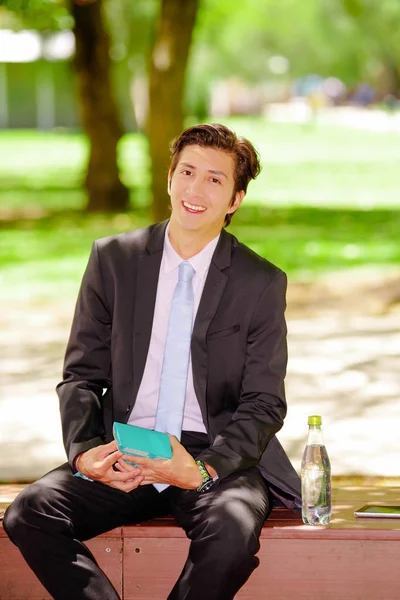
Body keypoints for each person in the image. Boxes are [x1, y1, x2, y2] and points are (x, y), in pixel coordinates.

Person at [4, 123, 301, 600]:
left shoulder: (260, 282)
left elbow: (264, 402)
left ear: (235, 201)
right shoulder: (113, 260)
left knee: (231, 532)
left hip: (213, 453)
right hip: (127, 446)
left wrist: (203, 471)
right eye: (187, 172)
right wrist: (85, 451)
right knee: (29, 513)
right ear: (168, 178)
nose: (194, 190)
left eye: (214, 179)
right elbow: (81, 375)